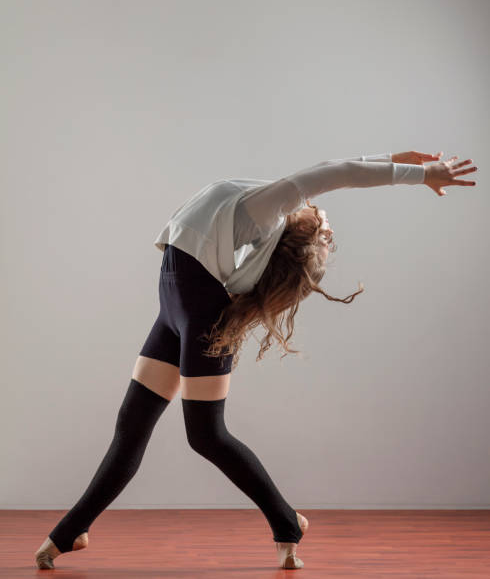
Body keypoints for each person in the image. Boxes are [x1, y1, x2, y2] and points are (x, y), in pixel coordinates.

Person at [35, 150, 477, 570]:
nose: (323, 218)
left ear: (300, 226)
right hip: (174, 310)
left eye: (323, 228)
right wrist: (402, 159)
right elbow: (345, 167)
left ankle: (287, 522)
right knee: (131, 424)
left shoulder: (268, 208)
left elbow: (337, 170)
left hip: (198, 316)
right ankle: (74, 529)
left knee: (206, 436)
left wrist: (421, 174)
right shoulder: (259, 209)